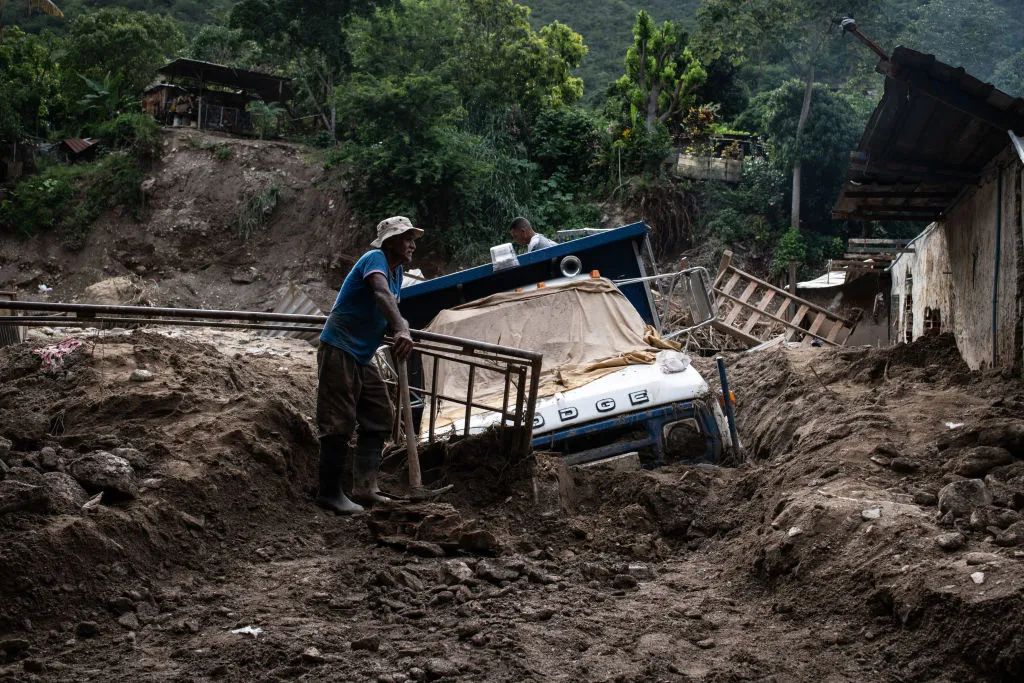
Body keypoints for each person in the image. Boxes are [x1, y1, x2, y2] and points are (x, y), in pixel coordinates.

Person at [315, 216, 421, 514]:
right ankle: (329, 493)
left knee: (378, 416)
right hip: (339, 347)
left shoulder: (397, 271)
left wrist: (402, 326)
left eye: (412, 238)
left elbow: (391, 308)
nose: (412, 245)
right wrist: (400, 328)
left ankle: (365, 486)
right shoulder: (374, 259)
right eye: (406, 238)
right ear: (390, 242)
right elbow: (379, 293)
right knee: (338, 423)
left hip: (362, 354)